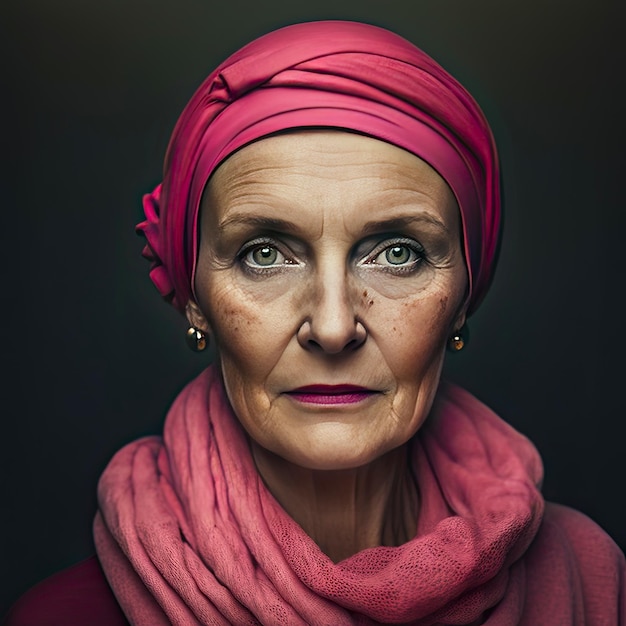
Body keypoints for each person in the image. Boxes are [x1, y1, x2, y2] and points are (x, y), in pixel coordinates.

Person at [5, 19, 624, 626]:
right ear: (194, 296)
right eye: (265, 254)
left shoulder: (592, 582)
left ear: (464, 293)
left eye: (397, 253)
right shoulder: (66, 617)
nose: (332, 328)